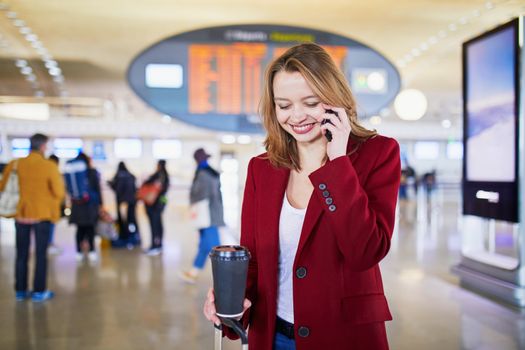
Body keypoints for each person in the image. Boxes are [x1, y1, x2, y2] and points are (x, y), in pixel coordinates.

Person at [203, 43, 401, 349]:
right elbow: (253, 259)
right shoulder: (262, 168)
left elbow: (365, 251)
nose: (296, 116)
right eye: (283, 105)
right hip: (274, 334)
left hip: (344, 335)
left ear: (335, 99)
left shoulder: (378, 154)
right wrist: (230, 304)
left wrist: (338, 163)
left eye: (310, 102)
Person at [0, 133, 65, 302]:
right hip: (42, 216)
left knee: (21, 253)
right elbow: (59, 192)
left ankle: (20, 291)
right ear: (43, 146)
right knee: (40, 254)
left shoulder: (15, 164)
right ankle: (39, 291)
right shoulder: (49, 166)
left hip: (21, 214)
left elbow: (3, 186)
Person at [179, 148, 224, 284]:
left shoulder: (203, 174)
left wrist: (192, 203)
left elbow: (200, 194)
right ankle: (193, 272)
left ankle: (225, 275)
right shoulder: (211, 172)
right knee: (204, 244)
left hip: (207, 215)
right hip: (210, 213)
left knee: (214, 246)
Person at [67, 152, 103, 263]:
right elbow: (97, 189)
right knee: (90, 229)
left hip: (77, 206)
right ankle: (91, 251)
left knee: (79, 230)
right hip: (90, 206)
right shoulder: (92, 172)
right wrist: (100, 204)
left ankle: (78, 252)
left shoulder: (72, 172)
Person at [108, 161, 140, 248]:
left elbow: (116, 188)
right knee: (132, 220)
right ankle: (135, 237)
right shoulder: (131, 176)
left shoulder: (118, 176)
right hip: (132, 203)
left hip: (122, 203)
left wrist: (110, 184)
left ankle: (125, 237)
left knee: (123, 221)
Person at [143, 160, 169, 256]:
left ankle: (155, 246)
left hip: (154, 204)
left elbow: (146, 184)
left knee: (154, 224)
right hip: (161, 203)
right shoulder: (165, 176)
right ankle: (158, 245)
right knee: (158, 223)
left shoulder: (158, 175)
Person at [47, 154, 64, 255]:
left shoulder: (44, 170)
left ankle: (47, 244)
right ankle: (49, 244)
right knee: (51, 226)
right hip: (52, 206)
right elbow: (59, 191)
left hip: (43, 207)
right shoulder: (54, 171)